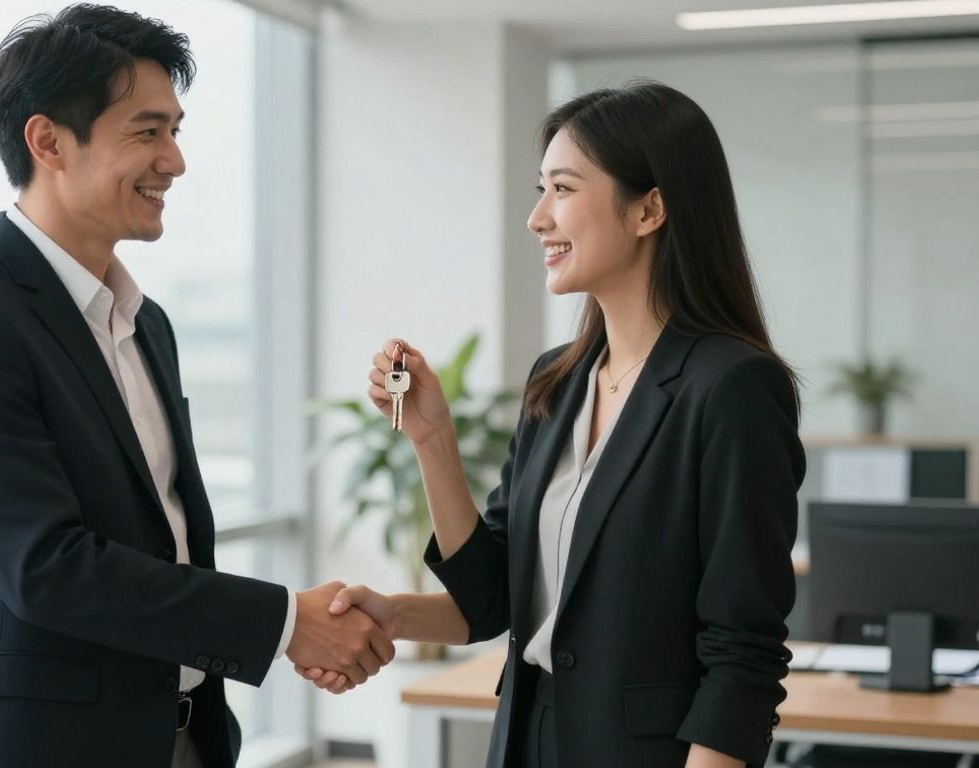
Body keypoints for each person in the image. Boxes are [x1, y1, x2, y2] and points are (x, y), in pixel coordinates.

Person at [0, 6, 392, 767]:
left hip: (182, 734)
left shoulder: (144, 322)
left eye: (175, 131)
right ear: (48, 140)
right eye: (147, 132)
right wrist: (288, 623)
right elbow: (46, 567)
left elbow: (165, 538)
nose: (175, 161)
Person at [299, 82, 805, 768]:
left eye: (562, 189)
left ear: (649, 209)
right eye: (541, 191)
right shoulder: (560, 379)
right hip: (527, 741)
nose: (538, 218)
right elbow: (496, 597)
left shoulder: (732, 387)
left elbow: (743, 653)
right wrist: (432, 440)